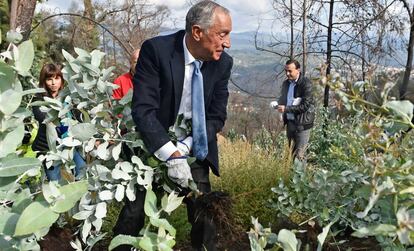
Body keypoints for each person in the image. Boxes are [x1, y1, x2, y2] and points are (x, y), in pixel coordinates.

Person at [113, 1, 233, 250]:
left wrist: (188, 145)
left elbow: (216, 116)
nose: (227, 42)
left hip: (194, 147)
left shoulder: (222, 63)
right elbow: (143, 110)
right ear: (197, 32)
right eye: (222, 34)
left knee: (206, 215)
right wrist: (170, 153)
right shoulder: (157, 51)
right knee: (134, 214)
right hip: (151, 144)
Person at [32, 63, 86, 181]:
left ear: (62, 79)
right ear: (44, 81)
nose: (53, 83)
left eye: (57, 78)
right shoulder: (38, 99)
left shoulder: (69, 98)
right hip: (49, 148)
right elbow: (43, 118)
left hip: (68, 144)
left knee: (82, 168)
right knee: (54, 180)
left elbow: (79, 117)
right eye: (49, 79)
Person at [276, 59, 315, 160]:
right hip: (290, 122)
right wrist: (278, 105)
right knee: (291, 154)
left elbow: (305, 106)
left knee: (299, 156)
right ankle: (292, 175)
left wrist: (286, 109)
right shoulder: (286, 84)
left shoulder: (306, 84)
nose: (287, 74)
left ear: (298, 70)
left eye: (290, 71)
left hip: (302, 124)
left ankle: (300, 175)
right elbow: (283, 99)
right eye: (286, 71)